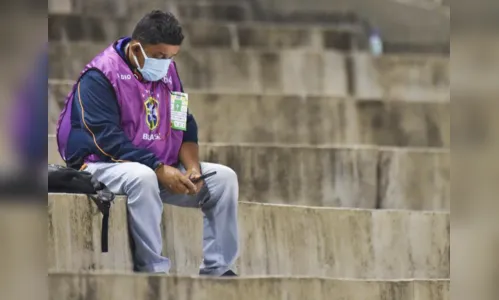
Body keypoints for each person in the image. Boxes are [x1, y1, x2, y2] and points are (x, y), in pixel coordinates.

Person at [55, 10, 239, 276]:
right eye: (159, 56)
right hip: (101, 166)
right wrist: (158, 168)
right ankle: (154, 272)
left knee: (224, 179)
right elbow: (106, 139)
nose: (165, 63)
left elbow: (182, 122)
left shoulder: (169, 73)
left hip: (157, 167)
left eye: (171, 57)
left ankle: (219, 269)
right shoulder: (100, 76)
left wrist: (192, 169)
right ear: (136, 47)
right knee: (142, 176)